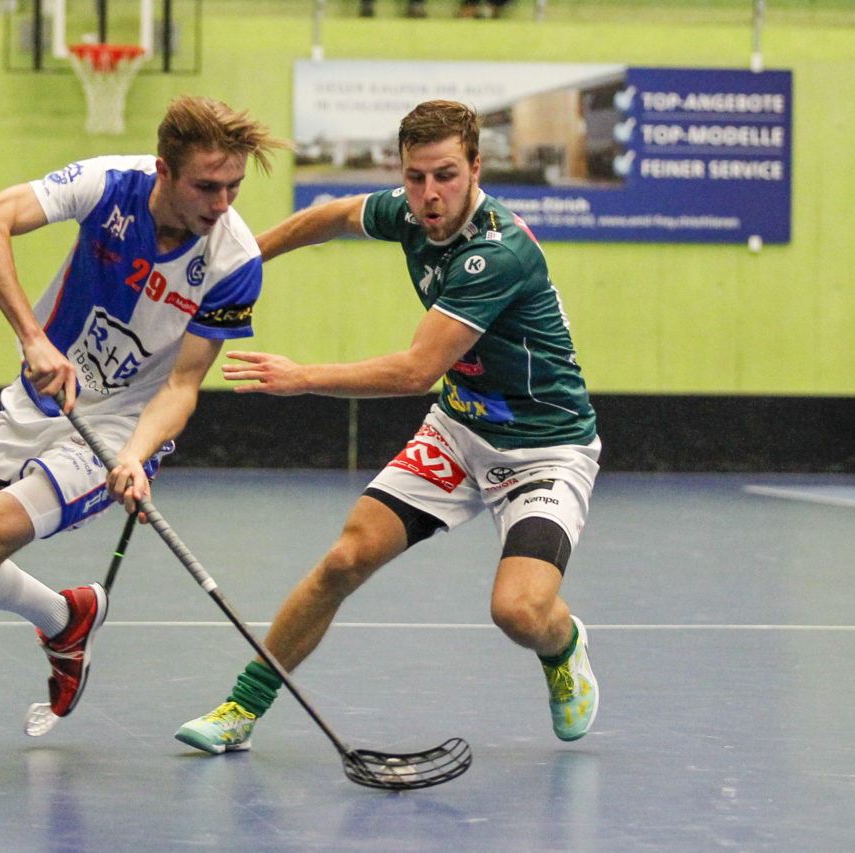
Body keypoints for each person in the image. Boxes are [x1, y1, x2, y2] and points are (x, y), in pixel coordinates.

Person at [0, 95, 289, 772]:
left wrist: (136, 457)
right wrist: (31, 338)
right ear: (163, 171)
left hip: (117, 428)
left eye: (234, 186)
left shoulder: (236, 261)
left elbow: (183, 386)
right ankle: (66, 619)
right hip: (42, 393)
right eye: (207, 185)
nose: (221, 202)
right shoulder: (109, 184)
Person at [175, 99, 601, 756]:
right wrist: (246, 259)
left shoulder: (497, 253)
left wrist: (302, 375)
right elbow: (336, 215)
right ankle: (242, 707)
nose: (429, 196)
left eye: (446, 176)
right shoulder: (408, 212)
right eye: (415, 178)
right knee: (345, 558)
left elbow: (414, 371)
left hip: (545, 449)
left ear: (476, 167)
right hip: (460, 431)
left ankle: (564, 643)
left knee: (520, 612)